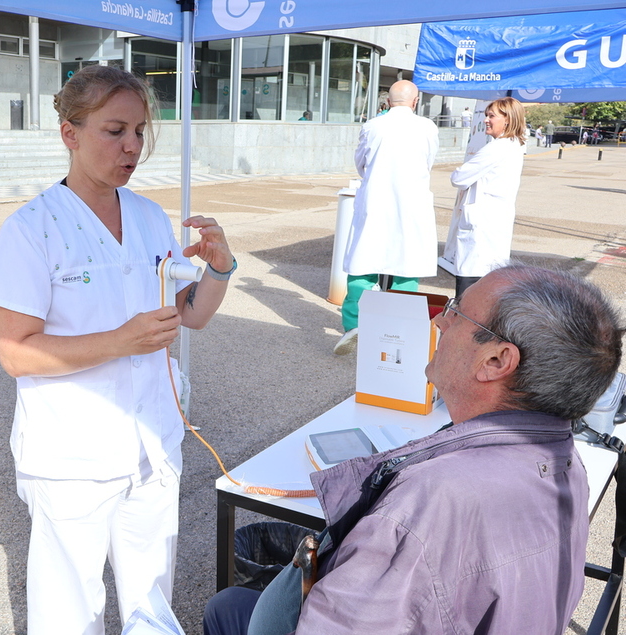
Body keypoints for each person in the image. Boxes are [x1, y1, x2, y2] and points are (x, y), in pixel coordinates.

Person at [204, 264, 624, 635]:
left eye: (456, 312)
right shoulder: (563, 456)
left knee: (225, 610)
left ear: (496, 361)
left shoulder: (428, 504)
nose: (439, 321)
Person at [0, 65, 236, 635]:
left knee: (152, 597)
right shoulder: (31, 229)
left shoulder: (146, 216)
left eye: (140, 132)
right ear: (70, 134)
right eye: (114, 130)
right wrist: (120, 341)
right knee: (69, 607)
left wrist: (220, 268)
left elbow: (190, 314)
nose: (132, 147)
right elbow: (15, 352)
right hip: (73, 454)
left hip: (152, 443)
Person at [334, 79, 439, 355]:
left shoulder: (372, 125)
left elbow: (361, 164)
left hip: (376, 204)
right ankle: (398, 327)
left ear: (388, 101)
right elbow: (429, 162)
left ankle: (355, 325)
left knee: (363, 264)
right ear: (415, 101)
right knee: (407, 268)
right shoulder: (427, 127)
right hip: (411, 206)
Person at [441, 96, 526, 298]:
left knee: (470, 289)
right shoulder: (515, 145)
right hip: (494, 222)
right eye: (486, 115)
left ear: (508, 119)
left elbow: (459, 178)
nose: (486, 120)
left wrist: (459, 172)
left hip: (481, 226)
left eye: (492, 116)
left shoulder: (496, 148)